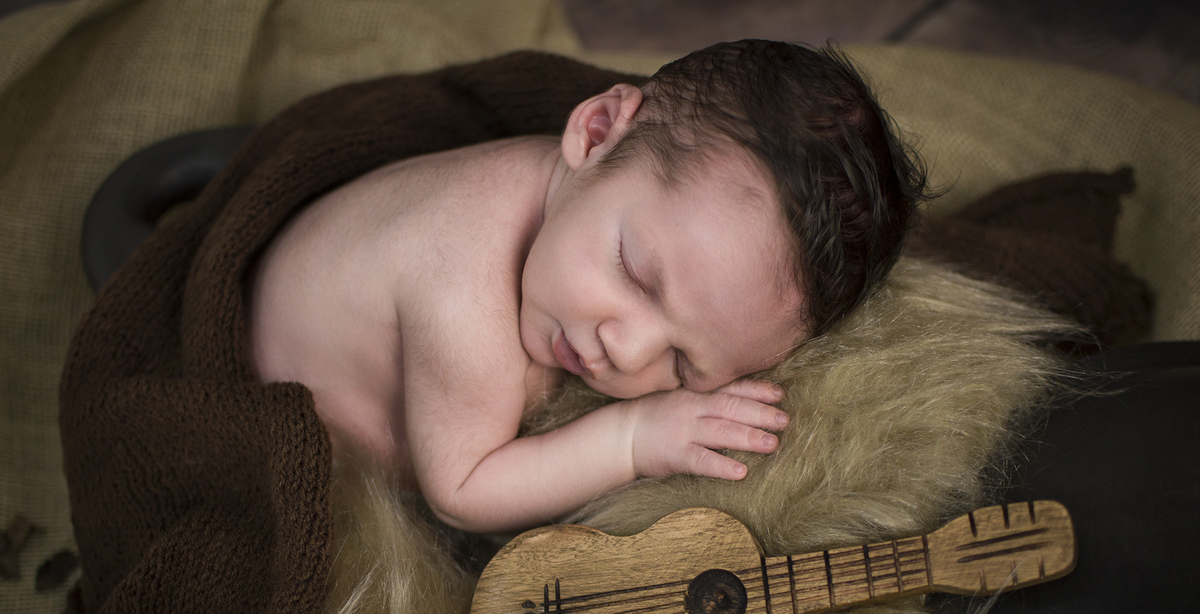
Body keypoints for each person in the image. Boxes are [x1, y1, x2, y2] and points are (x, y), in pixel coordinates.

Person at [245, 40, 930, 534]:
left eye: (684, 364)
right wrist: (631, 437)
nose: (628, 352)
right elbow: (461, 491)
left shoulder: (594, 201)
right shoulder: (461, 294)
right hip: (280, 386)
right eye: (634, 273)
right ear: (597, 130)